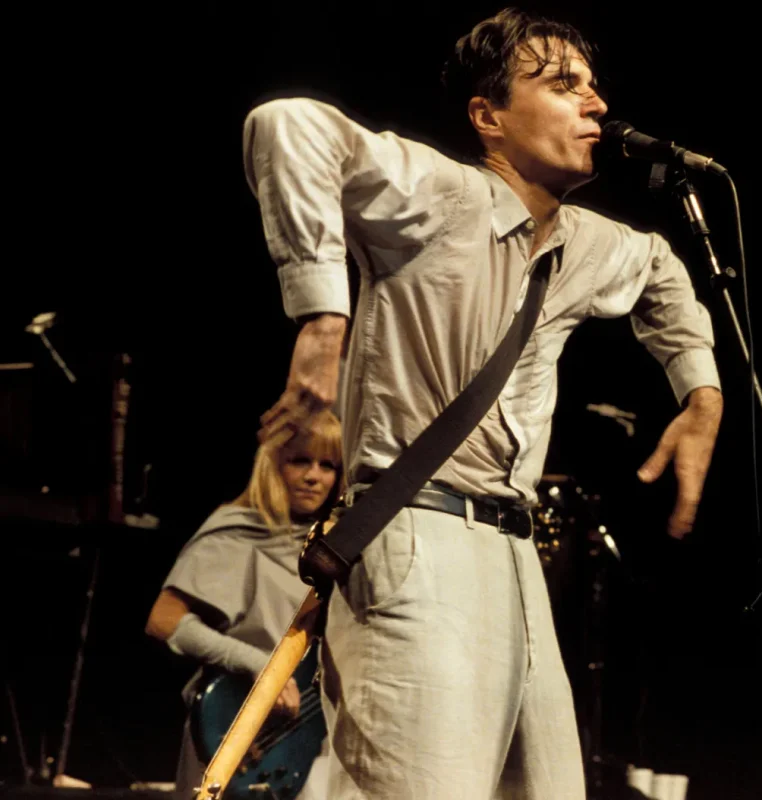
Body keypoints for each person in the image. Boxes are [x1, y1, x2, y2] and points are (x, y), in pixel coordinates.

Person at [240, 7, 723, 799]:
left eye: (594, 87)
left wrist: (699, 392)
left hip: (516, 558)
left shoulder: (589, 243)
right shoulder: (443, 195)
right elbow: (286, 125)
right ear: (487, 116)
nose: (595, 104)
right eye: (563, 85)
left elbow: (662, 270)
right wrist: (323, 316)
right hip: (417, 538)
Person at [145, 411, 343, 800]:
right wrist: (258, 665)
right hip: (236, 723)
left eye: (328, 465)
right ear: (274, 464)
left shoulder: (334, 543)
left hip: (308, 737)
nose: (313, 476)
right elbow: (164, 620)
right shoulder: (239, 527)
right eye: (300, 460)